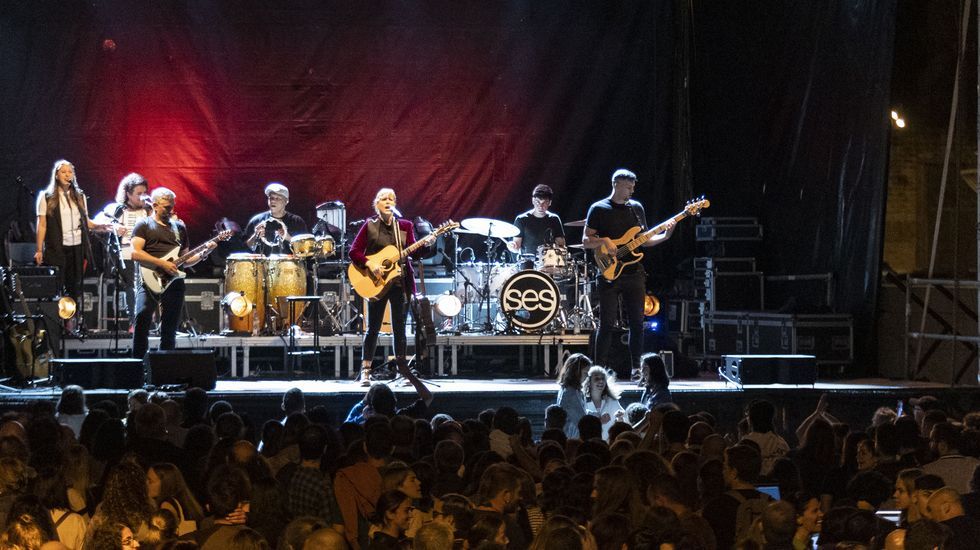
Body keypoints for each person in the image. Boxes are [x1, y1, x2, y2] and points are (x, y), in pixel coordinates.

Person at [583, 169, 675, 378]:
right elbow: (586, 241)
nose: (631, 191)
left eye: (633, 187)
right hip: (608, 272)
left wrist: (666, 235)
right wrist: (605, 241)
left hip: (634, 273)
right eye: (627, 187)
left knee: (637, 323)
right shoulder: (598, 208)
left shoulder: (636, 208)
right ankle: (598, 370)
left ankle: (636, 369)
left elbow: (643, 240)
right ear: (615, 184)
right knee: (606, 324)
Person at [349, 188, 428, 385]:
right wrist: (370, 263)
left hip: (400, 282)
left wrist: (427, 244)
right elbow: (354, 252)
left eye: (391, 198)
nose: (388, 201)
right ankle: (366, 370)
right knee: (373, 327)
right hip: (377, 283)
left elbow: (414, 253)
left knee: (400, 328)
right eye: (384, 198)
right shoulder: (370, 226)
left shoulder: (405, 226)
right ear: (376, 204)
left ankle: (403, 371)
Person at [130, 187, 216, 359]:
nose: (171, 210)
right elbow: (135, 253)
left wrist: (204, 253)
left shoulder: (179, 227)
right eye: (166, 207)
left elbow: (186, 259)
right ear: (155, 205)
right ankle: (137, 366)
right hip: (150, 279)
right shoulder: (144, 225)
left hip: (174, 283)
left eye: (172, 206)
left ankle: (164, 370)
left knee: (169, 328)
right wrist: (161, 263)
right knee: (142, 317)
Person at [34, 159, 121, 319]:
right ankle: (56, 321)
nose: (68, 175)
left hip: (76, 247)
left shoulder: (79, 196)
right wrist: (39, 249)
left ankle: (72, 321)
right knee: (58, 286)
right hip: (57, 247)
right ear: (56, 175)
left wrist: (102, 226)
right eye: (64, 172)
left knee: (75, 286)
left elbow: (86, 221)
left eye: (70, 172)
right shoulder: (46, 197)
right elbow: (42, 225)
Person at [94, 173, 152, 329]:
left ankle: (153, 321)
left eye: (144, 193)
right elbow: (97, 222)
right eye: (138, 194)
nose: (142, 197)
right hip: (125, 254)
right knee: (133, 282)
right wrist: (114, 227)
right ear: (128, 194)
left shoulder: (149, 210)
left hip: (146, 255)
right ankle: (135, 322)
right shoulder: (117, 209)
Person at [243, 183, 307, 256]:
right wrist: (255, 236)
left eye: (277, 198)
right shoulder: (256, 220)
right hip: (262, 265)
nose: (273, 201)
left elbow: (305, 249)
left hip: (289, 266)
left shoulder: (297, 221)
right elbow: (245, 249)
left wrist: (288, 237)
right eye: (271, 198)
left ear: (286, 201)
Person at [507, 184, 565, 256]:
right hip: (528, 263)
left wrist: (559, 249)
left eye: (544, 203)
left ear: (550, 202)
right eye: (538, 202)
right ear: (533, 201)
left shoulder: (554, 219)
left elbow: (561, 245)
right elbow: (516, 247)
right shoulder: (521, 219)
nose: (540, 206)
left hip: (549, 262)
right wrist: (511, 246)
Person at [555, 353, 591, 439]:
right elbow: (581, 420)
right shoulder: (571, 393)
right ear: (576, 372)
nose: (587, 377)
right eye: (585, 373)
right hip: (572, 437)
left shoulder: (573, 390)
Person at [582, 366, 625, 441]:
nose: (601, 381)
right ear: (589, 382)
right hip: (588, 444)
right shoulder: (582, 401)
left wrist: (620, 418)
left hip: (608, 445)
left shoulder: (612, 401)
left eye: (603, 378)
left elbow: (624, 421)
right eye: (597, 378)